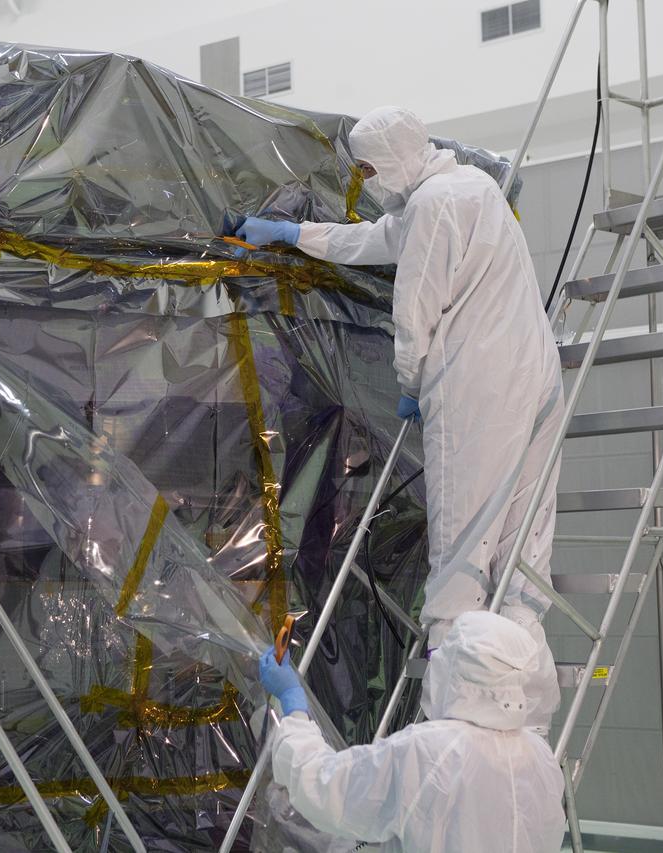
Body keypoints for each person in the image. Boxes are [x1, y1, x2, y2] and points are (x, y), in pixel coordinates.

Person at [234, 106, 565, 656]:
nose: (364, 179)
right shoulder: (471, 187)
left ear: (393, 158)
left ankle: (456, 690)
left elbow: (415, 313)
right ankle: (521, 685)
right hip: (535, 374)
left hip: (478, 383)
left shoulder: (434, 205)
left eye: (367, 168)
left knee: (464, 536)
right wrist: (294, 233)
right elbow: (375, 240)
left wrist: (411, 383)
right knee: (522, 540)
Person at [258, 611, 565, 852]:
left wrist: (294, 706)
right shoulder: (541, 758)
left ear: (457, 670)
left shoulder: (431, 751)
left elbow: (326, 787)